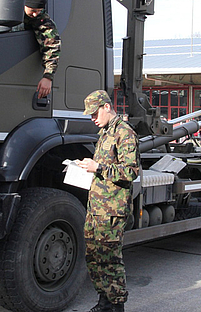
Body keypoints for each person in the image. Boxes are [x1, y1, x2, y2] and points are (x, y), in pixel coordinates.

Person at [76, 90, 139, 312]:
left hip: (112, 210)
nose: (92, 118)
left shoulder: (124, 133)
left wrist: (99, 167)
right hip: (97, 208)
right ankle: (104, 301)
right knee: (94, 257)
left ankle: (116, 306)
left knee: (110, 259)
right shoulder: (105, 132)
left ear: (106, 107)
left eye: (94, 113)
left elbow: (131, 171)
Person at [23, 0, 61, 99]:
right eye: (33, 10)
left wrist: (48, 77)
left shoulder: (44, 21)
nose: (35, 14)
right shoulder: (6, 4)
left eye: (39, 10)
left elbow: (53, 48)